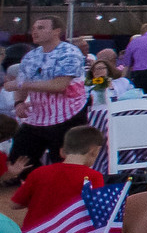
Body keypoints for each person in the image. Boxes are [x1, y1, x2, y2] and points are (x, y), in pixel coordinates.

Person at [4, 17, 88, 168]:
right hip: (37, 117)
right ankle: (38, 185)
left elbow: (59, 85)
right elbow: (21, 85)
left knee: (65, 164)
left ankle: (60, 189)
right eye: (34, 27)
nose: (35, 31)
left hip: (67, 116)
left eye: (41, 27)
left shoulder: (69, 53)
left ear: (57, 31)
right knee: (18, 162)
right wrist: (19, 102)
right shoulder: (30, 56)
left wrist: (21, 84)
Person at [10, 124, 104, 228]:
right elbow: (98, 211)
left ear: (62, 151)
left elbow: (15, 204)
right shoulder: (94, 176)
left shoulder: (39, 172)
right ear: (94, 151)